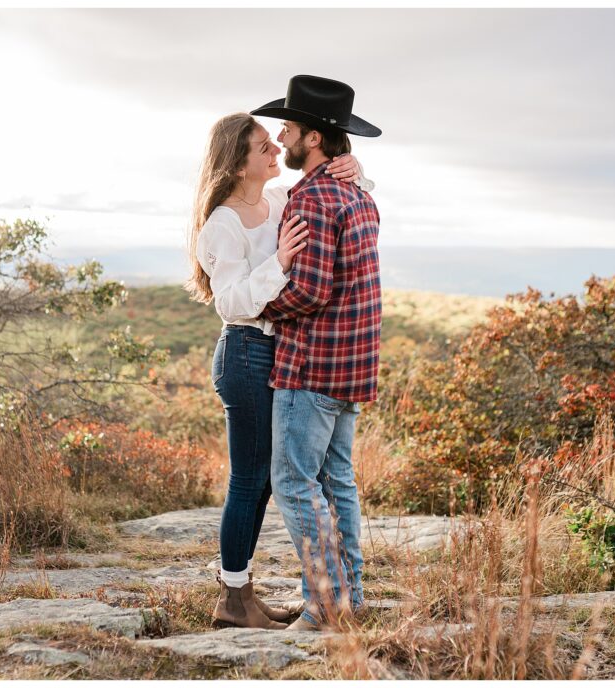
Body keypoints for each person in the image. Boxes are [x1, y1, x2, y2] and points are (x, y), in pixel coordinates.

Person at [185, 112, 373, 630]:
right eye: (263, 146)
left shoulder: (283, 199)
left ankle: (247, 593)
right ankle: (234, 597)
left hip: (279, 351)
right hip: (245, 352)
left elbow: (332, 195)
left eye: (275, 142)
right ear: (237, 161)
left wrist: (355, 167)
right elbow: (233, 301)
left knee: (274, 479)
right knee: (251, 480)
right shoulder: (222, 223)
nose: (274, 150)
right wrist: (281, 265)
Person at [249, 74, 383, 631]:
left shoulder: (311, 196)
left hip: (312, 367)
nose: (281, 138)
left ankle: (325, 607)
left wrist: (256, 311)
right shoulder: (358, 194)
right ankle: (347, 597)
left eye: (289, 127)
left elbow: (309, 290)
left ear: (316, 137)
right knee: (339, 482)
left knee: (294, 483)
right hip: (353, 366)